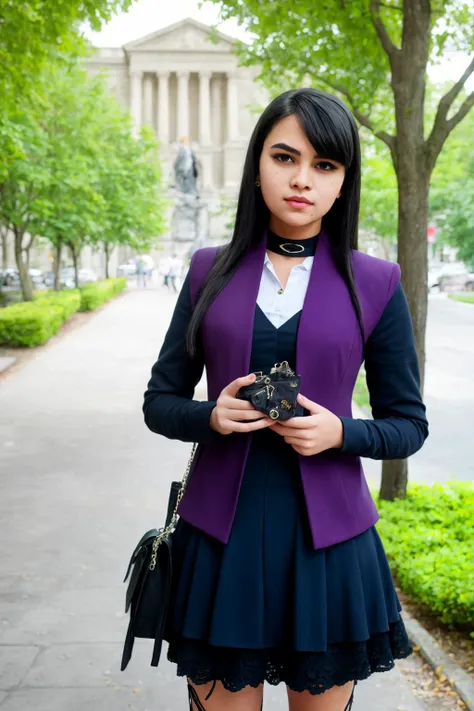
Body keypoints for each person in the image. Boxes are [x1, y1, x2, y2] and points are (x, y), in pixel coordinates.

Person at [143, 89, 429, 711]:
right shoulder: (206, 271)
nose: (302, 179)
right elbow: (159, 401)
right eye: (284, 157)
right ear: (256, 166)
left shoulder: (375, 282)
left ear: (343, 181)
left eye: (324, 165)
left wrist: (343, 434)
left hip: (328, 545)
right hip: (221, 539)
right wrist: (210, 417)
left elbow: (409, 424)